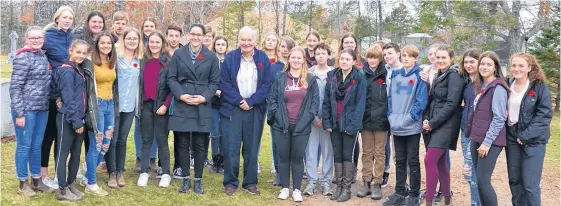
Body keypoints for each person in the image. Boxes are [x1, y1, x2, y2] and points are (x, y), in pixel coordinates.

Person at [167, 24, 220, 194]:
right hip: (183, 102)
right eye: (193, 34)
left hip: (202, 103)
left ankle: (198, 180)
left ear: (204, 37)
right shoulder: (178, 54)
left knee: (199, 144)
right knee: (182, 143)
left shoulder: (211, 57)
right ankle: (184, 179)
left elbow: (214, 83)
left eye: (199, 34)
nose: (196, 37)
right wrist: (181, 95)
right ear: (188, 35)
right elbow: (171, 78)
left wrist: (204, 97)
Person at [220, 26, 273, 195]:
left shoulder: (263, 58)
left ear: (255, 41)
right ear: (238, 40)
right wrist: (239, 100)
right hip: (233, 108)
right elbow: (224, 83)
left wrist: (251, 101)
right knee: (231, 146)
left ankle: (249, 182)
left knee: (251, 147)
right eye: (243, 39)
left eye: (249, 40)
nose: (246, 43)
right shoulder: (230, 58)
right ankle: (230, 182)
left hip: (254, 109)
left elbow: (267, 84)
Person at [268, 46, 319, 202]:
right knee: (283, 157)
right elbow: (273, 100)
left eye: (299, 58)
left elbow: (314, 104)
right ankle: (284, 187)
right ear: (289, 59)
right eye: (293, 57)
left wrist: (304, 122)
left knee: (297, 158)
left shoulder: (310, 80)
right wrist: (279, 118)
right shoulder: (280, 77)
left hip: (301, 126)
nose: (296, 60)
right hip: (281, 125)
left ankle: (296, 189)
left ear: (303, 60)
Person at [10, 26, 56, 197]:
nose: (36, 40)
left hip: (42, 109)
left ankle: (36, 180)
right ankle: (23, 182)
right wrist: (20, 113)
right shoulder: (22, 57)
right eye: (33, 38)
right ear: (26, 39)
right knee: (24, 146)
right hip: (26, 109)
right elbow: (15, 87)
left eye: (39, 37)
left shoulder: (43, 57)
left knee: (37, 146)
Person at [383, 45, 428, 206]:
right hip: (396, 125)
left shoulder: (420, 75)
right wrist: (390, 116)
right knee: (400, 160)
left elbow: (421, 101)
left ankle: (414, 194)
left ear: (416, 58)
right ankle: (400, 192)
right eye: (404, 55)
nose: (406, 58)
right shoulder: (395, 75)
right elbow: (390, 98)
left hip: (411, 126)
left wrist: (409, 118)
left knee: (413, 161)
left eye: (410, 56)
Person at [506, 53, 552, 206]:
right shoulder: (508, 84)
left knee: (530, 185)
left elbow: (544, 115)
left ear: (529, 68)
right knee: (515, 181)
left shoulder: (539, 86)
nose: (516, 69)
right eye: (514, 65)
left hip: (534, 141)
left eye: (521, 65)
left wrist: (525, 136)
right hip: (512, 138)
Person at [422, 45, 466, 206]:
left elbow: (451, 104)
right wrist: (426, 119)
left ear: (451, 59)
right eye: (438, 57)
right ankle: (447, 198)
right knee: (439, 162)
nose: (440, 60)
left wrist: (432, 123)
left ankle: (429, 200)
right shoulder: (440, 74)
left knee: (430, 160)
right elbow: (432, 100)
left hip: (446, 125)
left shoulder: (454, 76)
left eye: (443, 58)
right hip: (434, 123)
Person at [323, 49, 366, 202]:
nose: (344, 61)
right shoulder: (333, 76)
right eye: (342, 59)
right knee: (337, 154)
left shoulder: (359, 78)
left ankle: (346, 189)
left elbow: (360, 104)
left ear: (354, 61)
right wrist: (327, 122)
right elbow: (327, 102)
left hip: (349, 124)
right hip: (334, 123)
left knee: (347, 155)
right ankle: (339, 187)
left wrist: (353, 125)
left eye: (348, 59)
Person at [465, 51, 508, 206]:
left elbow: (499, 118)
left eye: (489, 64)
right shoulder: (483, 86)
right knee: (479, 179)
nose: (484, 67)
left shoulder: (498, 88)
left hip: (490, 142)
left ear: (495, 67)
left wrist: (487, 142)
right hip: (477, 138)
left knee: (483, 181)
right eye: (482, 63)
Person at [40, 5, 75, 190]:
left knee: (63, 134)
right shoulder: (48, 35)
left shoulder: (72, 36)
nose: (67, 20)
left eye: (70, 18)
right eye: (64, 17)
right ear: (57, 18)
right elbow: (37, 50)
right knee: (50, 133)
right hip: (52, 90)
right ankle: (43, 173)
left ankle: (58, 172)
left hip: (67, 90)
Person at [80, 32, 117, 196]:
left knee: (106, 144)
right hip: (97, 106)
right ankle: (91, 183)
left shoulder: (111, 61)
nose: (106, 46)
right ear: (97, 44)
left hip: (109, 105)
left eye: (108, 43)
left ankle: (87, 173)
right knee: (96, 144)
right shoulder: (90, 63)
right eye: (103, 43)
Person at [52, 39, 90, 201]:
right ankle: (62, 189)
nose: (80, 55)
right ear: (70, 51)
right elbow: (68, 97)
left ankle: (71, 182)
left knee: (76, 153)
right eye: (77, 52)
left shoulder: (78, 69)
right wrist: (76, 122)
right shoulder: (67, 70)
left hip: (79, 118)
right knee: (63, 153)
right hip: (68, 118)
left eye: (83, 53)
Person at [106, 28, 144, 188]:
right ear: (123, 39)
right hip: (114, 104)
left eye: (135, 39)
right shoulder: (114, 53)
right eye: (129, 38)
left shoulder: (140, 58)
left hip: (129, 106)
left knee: (122, 139)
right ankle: (112, 172)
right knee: (112, 140)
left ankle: (120, 171)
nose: (132, 41)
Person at [137, 31, 173, 188]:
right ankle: (144, 171)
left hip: (161, 105)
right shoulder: (142, 61)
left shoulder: (168, 62)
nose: (154, 45)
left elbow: (173, 87)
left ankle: (165, 173)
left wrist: (165, 105)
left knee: (162, 140)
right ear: (148, 43)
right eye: (151, 42)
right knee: (146, 139)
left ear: (162, 44)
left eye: (157, 42)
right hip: (146, 105)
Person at [302, 42, 334, 196]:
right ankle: (311, 180)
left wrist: (326, 118)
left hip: (328, 121)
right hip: (312, 120)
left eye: (323, 53)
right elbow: (305, 99)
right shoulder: (308, 73)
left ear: (329, 55)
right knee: (311, 151)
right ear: (314, 55)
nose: (320, 56)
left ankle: (326, 181)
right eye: (318, 53)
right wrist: (314, 117)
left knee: (328, 151)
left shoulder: (335, 73)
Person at [357, 45, 388, 200]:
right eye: (370, 57)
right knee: (367, 152)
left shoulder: (387, 73)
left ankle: (377, 182)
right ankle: (366, 181)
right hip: (366, 119)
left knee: (380, 152)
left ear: (380, 58)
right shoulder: (362, 74)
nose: (372, 60)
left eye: (375, 57)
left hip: (382, 120)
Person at [134, 18, 159, 171]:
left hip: (156, 98)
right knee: (139, 127)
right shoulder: (139, 50)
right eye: (146, 26)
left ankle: (152, 157)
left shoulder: (158, 48)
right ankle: (139, 156)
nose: (149, 28)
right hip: (141, 97)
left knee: (156, 128)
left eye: (152, 26)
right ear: (142, 29)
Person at [270, 35, 296, 179]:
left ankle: (291, 171)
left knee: (292, 143)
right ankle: (279, 172)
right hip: (277, 111)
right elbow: (270, 89)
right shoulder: (274, 67)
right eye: (282, 47)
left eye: (288, 47)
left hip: (293, 110)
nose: (285, 50)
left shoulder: (295, 66)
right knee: (276, 142)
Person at [459, 49, 481, 206]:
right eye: (466, 62)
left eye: (472, 62)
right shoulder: (466, 81)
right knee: (469, 173)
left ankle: (476, 203)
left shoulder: (484, 83)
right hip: (465, 130)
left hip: (477, 132)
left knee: (472, 173)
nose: (468, 65)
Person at [381, 42, 403, 188]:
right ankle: (385, 171)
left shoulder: (405, 70)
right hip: (385, 111)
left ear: (398, 53)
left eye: (390, 53)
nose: (387, 56)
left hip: (400, 114)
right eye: (385, 54)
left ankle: (403, 182)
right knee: (384, 144)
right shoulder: (385, 70)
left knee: (400, 149)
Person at [209, 36, 229, 174]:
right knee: (215, 132)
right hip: (213, 102)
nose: (220, 46)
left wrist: (224, 91)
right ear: (214, 46)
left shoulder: (229, 61)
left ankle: (223, 160)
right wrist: (214, 90)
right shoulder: (210, 60)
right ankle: (215, 159)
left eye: (223, 44)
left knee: (224, 132)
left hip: (226, 102)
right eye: (218, 44)